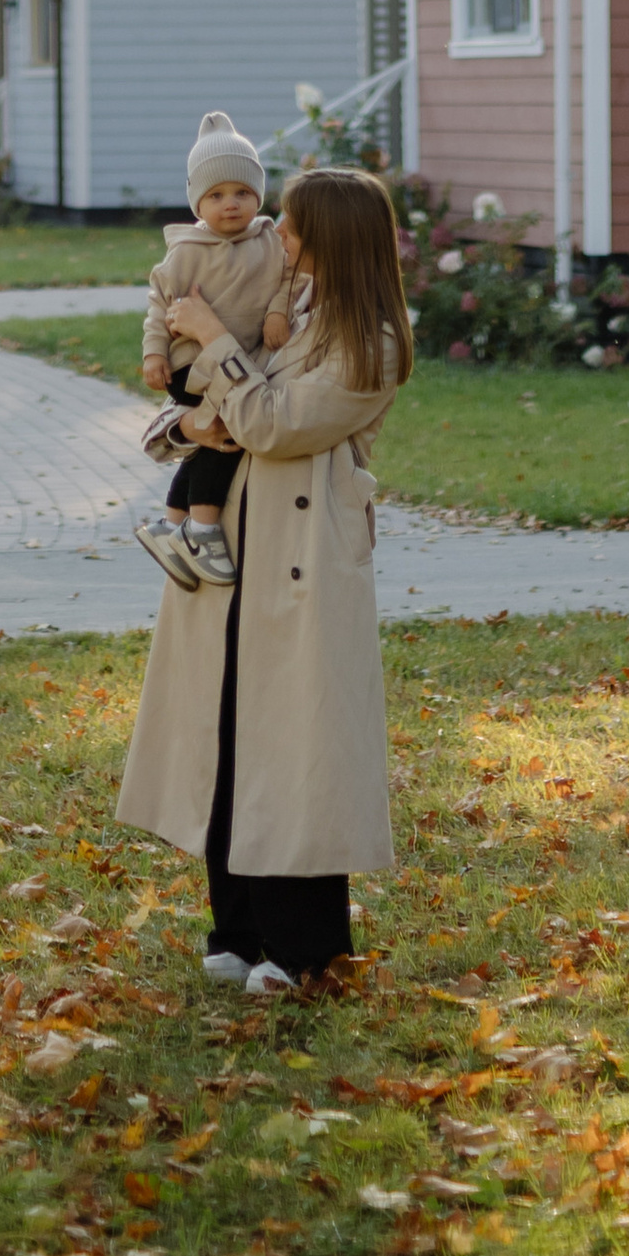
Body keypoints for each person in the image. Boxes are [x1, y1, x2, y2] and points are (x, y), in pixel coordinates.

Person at [116, 161, 413, 991]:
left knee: (295, 746)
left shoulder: (371, 342)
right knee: (226, 733)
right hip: (228, 554)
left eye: (290, 225)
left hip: (302, 565)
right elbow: (195, 411)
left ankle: (304, 945)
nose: (272, 234)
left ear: (329, 240)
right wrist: (185, 427)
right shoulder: (282, 307)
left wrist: (212, 343)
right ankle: (236, 931)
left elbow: (276, 427)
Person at [134, 113, 291, 589]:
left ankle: (171, 520)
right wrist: (154, 353)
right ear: (197, 202)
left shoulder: (268, 240)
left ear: (258, 196)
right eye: (217, 195)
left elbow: (287, 280)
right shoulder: (187, 251)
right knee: (225, 432)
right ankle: (203, 528)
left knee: (205, 439)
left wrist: (277, 313)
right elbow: (160, 304)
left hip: (235, 356)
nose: (231, 205)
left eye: (242, 193)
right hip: (188, 361)